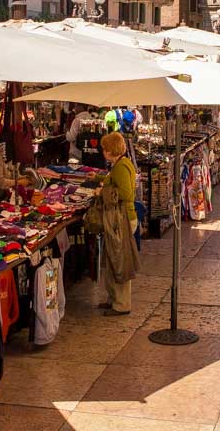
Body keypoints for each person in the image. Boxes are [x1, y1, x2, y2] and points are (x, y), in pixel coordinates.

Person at [98, 132, 138, 316]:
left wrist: (103, 191)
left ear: (110, 150)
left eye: (104, 149)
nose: (102, 152)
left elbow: (126, 194)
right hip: (119, 218)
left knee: (120, 261)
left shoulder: (121, 167)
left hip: (122, 218)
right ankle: (114, 299)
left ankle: (122, 304)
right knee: (113, 259)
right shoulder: (120, 164)